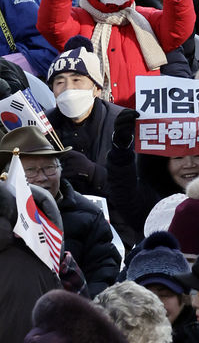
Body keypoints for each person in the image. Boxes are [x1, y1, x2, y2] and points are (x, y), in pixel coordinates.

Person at [37, 0, 195, 108]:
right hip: (96, 119)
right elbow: (52, 26)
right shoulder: (78, 19)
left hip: (144, 116)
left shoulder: (145, 17)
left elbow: (177, 32)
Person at [0, 126, 121, 296]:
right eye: (31, 171)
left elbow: (103, 271)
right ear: (9, 176)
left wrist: (86, 310)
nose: (42, 177)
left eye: (49, 168)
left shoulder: (88, 214)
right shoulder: (3, 216)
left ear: (60, 170)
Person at [45, 36, 123, 198]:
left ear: (97, 89)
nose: (68, 88)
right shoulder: (43, 125)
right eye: (60, 82)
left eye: (76, 80)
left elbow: (137, 190)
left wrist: (93, 172)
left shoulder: (122, 123)